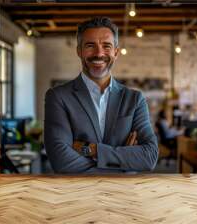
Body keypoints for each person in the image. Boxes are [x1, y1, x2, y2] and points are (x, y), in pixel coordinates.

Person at [44, 17, 158, 174]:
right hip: (76, 195)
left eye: (106, 46)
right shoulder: (58, 97)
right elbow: (61, 161)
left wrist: (92, 149)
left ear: (116, 52)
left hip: (125, 196)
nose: (98, 53)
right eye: (90, 46)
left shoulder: (135, 99)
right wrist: (125, 161)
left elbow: (149, 157)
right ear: (79, 50)